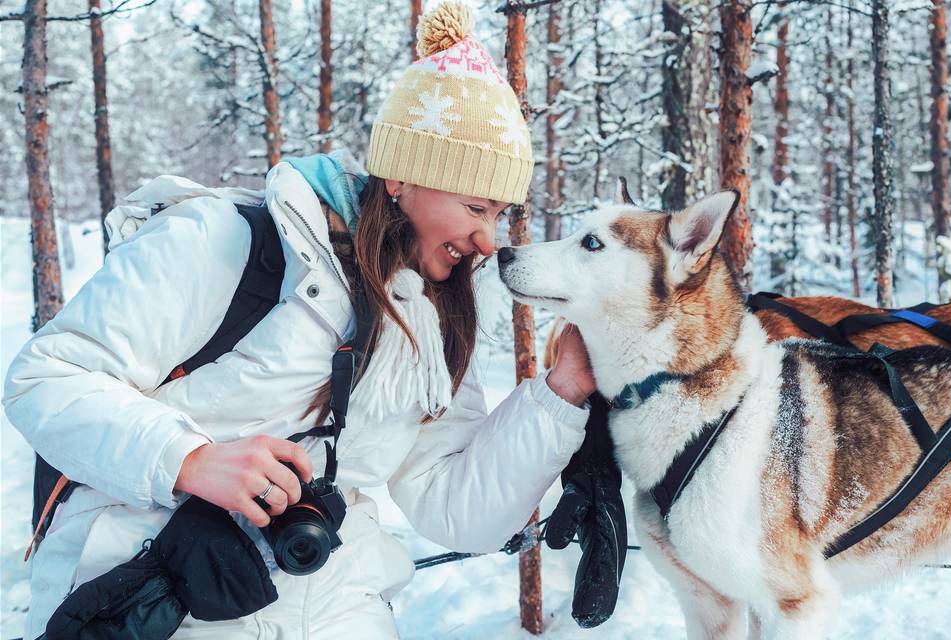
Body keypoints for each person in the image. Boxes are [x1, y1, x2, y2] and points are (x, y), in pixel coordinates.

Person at [2, 3, 595, 638]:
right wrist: (188, 458)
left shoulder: (429, 318)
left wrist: (562, 393)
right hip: (160, 597)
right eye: (476, 206)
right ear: (401, 176)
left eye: (500, 213)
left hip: (338, 603)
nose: (487, 239)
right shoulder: (230, 244)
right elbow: (46, 378)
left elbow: (458, 510)